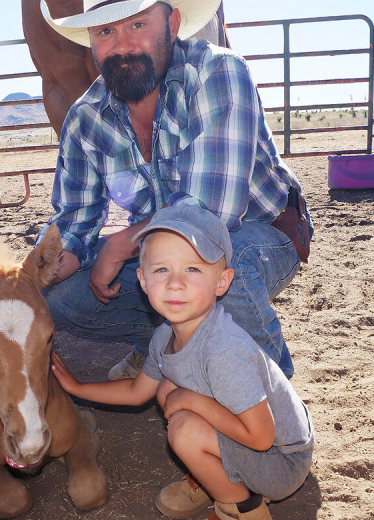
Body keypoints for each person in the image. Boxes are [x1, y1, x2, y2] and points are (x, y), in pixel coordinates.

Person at [38, 0, 312, 380]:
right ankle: (160, 342)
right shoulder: (85, 119)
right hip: (157, 247)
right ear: (91, 41)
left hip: (261, 233)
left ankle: (269, 399)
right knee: (58, 298)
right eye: (105, 32)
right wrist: (36, 270)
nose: (122, 46)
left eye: (137, 25)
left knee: (218, 264)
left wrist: (122, 243)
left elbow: (211, 213)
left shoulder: (218, 71)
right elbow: (74, 219)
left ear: (173, 23)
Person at [50, 204, 314, 520]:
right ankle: (215, 474)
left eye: (193, 269)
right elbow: (137, 391)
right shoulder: (165, 336)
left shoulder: (224, 350)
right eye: (161, 269)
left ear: (223, 281)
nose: (175, 283)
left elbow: (261, 437)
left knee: (183, 429)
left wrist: (191, 400)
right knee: (166, 388)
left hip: (280, 461)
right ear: (143, 281)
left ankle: (242, 508)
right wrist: (76, 386)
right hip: (257, 445)